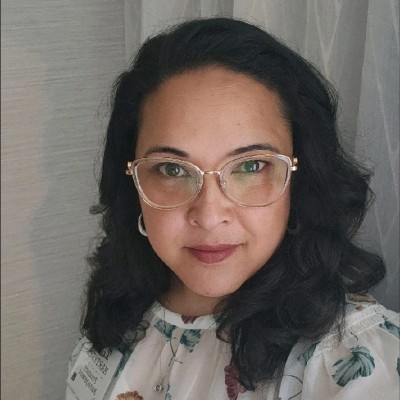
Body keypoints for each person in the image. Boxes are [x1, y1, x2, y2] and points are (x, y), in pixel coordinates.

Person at [66, 18, 399, 400]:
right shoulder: (119, 312)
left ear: (299, 176)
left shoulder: (350, 359)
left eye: (251, 166)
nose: (210, 216)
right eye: (172, 170)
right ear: (133, 182)